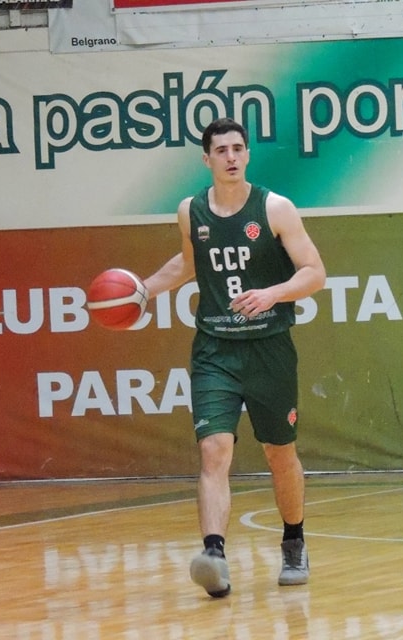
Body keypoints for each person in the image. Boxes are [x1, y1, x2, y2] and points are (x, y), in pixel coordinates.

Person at [143, 117, 326, 597]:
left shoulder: (275, 208)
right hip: (215, 350)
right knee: (213, 450)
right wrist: (143, 290)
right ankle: (214, 556)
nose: (230, 157)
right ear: (206, 159)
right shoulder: (191, 211)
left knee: (279, 453)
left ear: (247, 155)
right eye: (221, 150)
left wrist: (273, 293)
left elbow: (314, 272)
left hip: (269, 348)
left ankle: (293, 541)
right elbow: (188, 264)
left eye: (238, 148)